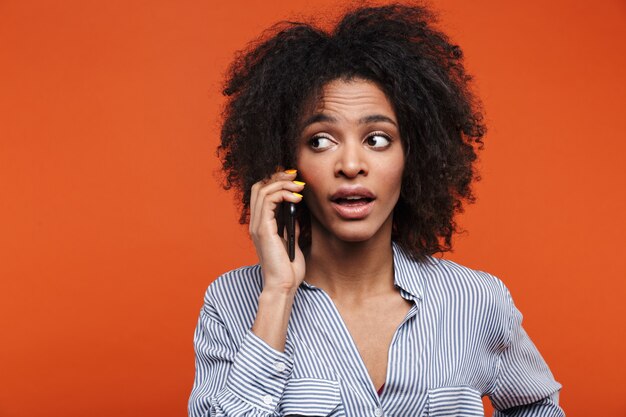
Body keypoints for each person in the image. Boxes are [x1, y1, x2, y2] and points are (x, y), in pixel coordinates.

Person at [189, 3, 564, 416]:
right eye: (320, 141)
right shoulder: (231, 304)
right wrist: (277, 293)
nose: (351, 165)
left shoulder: (477, 301)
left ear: (413, 157)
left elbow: (537, 405)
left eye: (378, 139)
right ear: (283, 165)